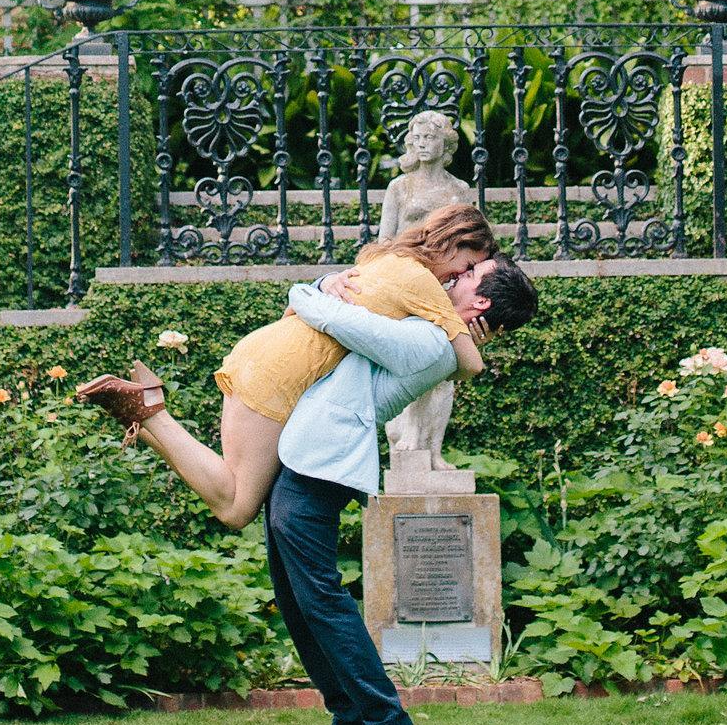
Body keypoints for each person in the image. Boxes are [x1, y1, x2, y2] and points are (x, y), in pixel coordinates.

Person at [258, 255, 537, 725]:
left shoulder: (432, 342)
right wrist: (326, 282)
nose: (457, 274)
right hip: (308, 450)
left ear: (481, 302)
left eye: (471, 275)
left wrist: (305, 291)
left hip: (324, 457)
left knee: (317, 593)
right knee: (294, 592)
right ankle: (349, 718)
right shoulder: (432, 327)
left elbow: (340, 318)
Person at [74, 204, 497, 530]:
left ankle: (142, 415)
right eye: (466, 266)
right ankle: (151, 410)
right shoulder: (424, 283)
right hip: (282, 374)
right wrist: (475, 336)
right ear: (453, 244)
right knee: (236, 507)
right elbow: (469, 365)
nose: (457, 279)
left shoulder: (383, 257)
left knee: (231, 490)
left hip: (268, 353)